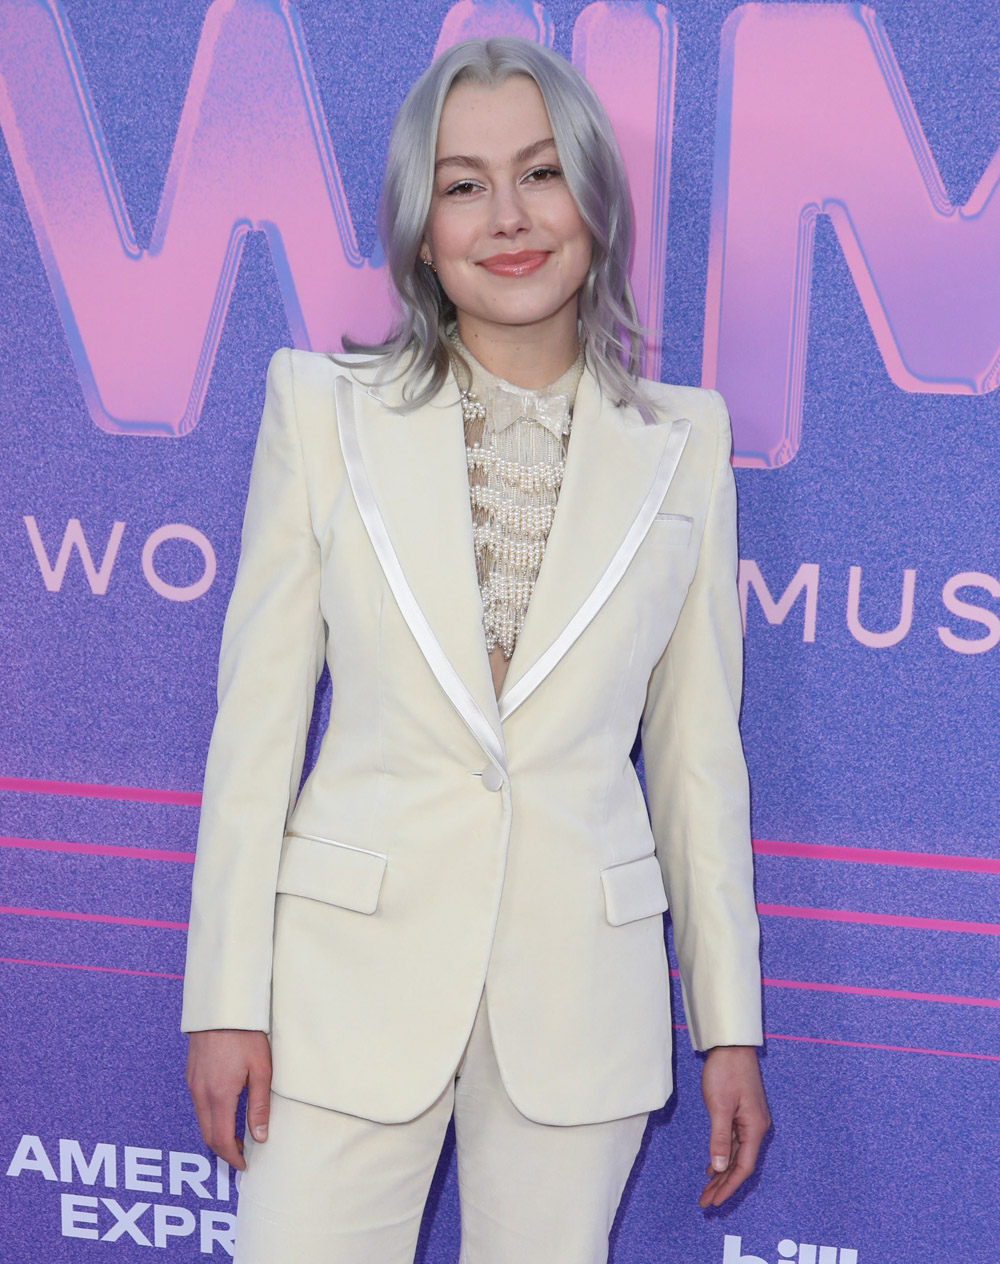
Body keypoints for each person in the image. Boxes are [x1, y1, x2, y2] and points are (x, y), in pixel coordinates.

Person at [182, 35, 770, 1264]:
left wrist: (730, 1025)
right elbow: (256, 734)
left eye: (540, 174)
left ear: (594, 201)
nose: (506, 217)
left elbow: (696, 757)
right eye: (462, 184)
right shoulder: (318, 411)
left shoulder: (685, 443)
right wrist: (225, 1001)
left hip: (579, 1002)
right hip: (345, 987)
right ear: (418, 224)